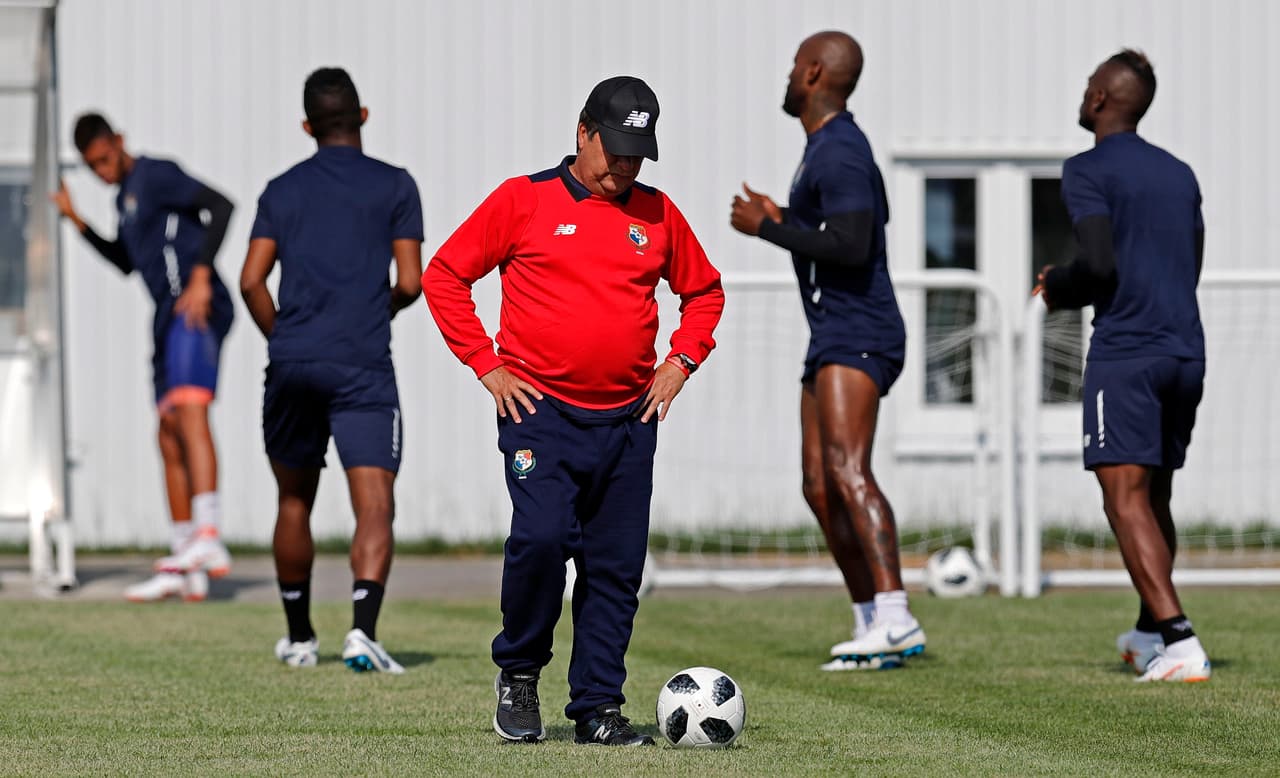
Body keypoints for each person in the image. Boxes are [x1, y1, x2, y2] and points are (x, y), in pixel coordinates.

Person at [424, 76, 724, 744]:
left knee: (615, 568)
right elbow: (444, 275)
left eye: (637, 152)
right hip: (540, 412)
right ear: (582, 132)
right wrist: (486, 364)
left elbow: (704, 293)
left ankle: (596, 707)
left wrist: (681, 362)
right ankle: (521, 671)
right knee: (541, 540)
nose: (625, 164)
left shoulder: (658, 213)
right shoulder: (522, 200)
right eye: (614, 147)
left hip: (628, 420)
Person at [730, 31, 924, 671]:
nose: (787, 77)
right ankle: (871, 622)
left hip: (860, 330)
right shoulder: (829, 149)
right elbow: (845, 225)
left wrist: (769, 228)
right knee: (819, 485)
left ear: (813, 73)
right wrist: (782, 214)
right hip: (832, 333)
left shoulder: (839, 148)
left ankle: (896, 614)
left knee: (848, 470)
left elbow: (852, 244)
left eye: (793, 67)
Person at [239, 68, 424, 673]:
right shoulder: (395, 186)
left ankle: (299, 638)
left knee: (294, 499)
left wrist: (286, 338)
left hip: (293, 362)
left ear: (306, 126)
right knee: (374, 502)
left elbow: (250, 281)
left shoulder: (282, 189)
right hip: (362, 363)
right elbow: (411, 281)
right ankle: (362, 631)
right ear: (362, 116)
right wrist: (376, 311)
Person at [1035, 50, 1210, 683]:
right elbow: (1189, 259)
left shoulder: (1086, 168)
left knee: (1122, 496)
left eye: (1088, 87)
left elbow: (1100, 267)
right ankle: (1146, 633)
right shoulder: (1179, 173)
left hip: (1127, 353)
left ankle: (1181, 642)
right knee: (1155, 493)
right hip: (1185, 349)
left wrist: (1058, 283)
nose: (1083, 96)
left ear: (1104, 97)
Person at [52, 113, 235, 603]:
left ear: (120, 142)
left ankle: (210, 538)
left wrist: (200, 278)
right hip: (164, 316)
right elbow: (127, 263)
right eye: (93, 167)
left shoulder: (155, 175)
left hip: (193, 304)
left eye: (105, 159)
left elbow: (221, 206)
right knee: (167, 431)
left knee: (191, 409)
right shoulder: (124, 200)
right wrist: (78, 222)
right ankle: (183, 564)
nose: (102, 171)